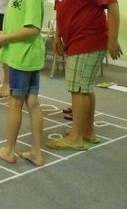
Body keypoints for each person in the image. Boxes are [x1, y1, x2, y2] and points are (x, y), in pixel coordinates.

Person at [47, 0, 122, 151]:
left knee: (79, 89)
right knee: (85, 87)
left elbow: (113, 5)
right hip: (75, 41)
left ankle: (75, 137)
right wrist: (57, 36)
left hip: (88, 40)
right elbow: (61, 10)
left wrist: (113, 39)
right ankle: (87, 131)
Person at [0, 0, 45, 166]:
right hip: (23, 53)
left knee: (16, 102)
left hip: (23, 55)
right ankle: (36, 152)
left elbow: (32, 29)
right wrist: (5, 33)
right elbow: (20, 22)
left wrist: (5, 39)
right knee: (32, 101)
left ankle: (9, 150)